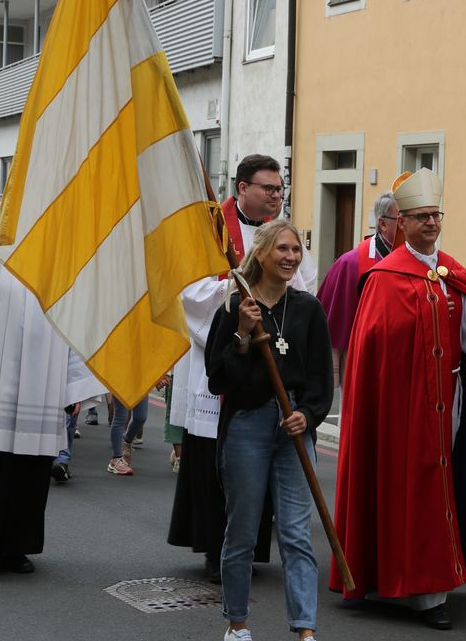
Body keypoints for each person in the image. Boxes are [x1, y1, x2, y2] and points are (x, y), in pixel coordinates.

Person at [329, 168, 466, 630]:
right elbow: (373, 353)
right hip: (397, 408)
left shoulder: (455, 272)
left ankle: (430, 585)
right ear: (400, 223)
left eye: (436, 215)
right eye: (421, 217)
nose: (431, 224)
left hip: (447, 402)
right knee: (395, 487)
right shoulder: (384, 278)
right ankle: (400, 583)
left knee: (436, 491)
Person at [168, 154, 316, 581]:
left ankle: (250, 547)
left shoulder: (285, 236)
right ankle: (218, 549)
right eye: (268, 187)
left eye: (279, 188)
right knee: (221, 456)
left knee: (262, 454)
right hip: (225, 359)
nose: (276, 195)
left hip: (271, 365)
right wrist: (234, 294)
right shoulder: (212, 229)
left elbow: (305, 287)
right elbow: (190, 292)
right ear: (242, 188)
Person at [0, 244, 104, 580]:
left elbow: (77, 323)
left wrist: (74, 385)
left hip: (44, 379)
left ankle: (17, 547)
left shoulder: (65, 257)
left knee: (32, 469)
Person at [207, 219, 333, 641]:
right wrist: (242, 334)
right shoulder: (235, 305)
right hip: (247, 424)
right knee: (242, 529)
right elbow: (218, 378)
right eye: (282, 249)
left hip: (294, 426)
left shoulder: (307, 308)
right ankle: (238, 624)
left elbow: (320, 377)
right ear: (260, 253)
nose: (291, 258)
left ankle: (305, 630)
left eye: (295, 250)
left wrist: (310, 416)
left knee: (297, 533)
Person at [316, 191, 397, 384]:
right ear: (382, 224)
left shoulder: (418, 259)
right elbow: (335, 317)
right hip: (361, 357)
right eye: (402, 219)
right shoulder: (351, 264)